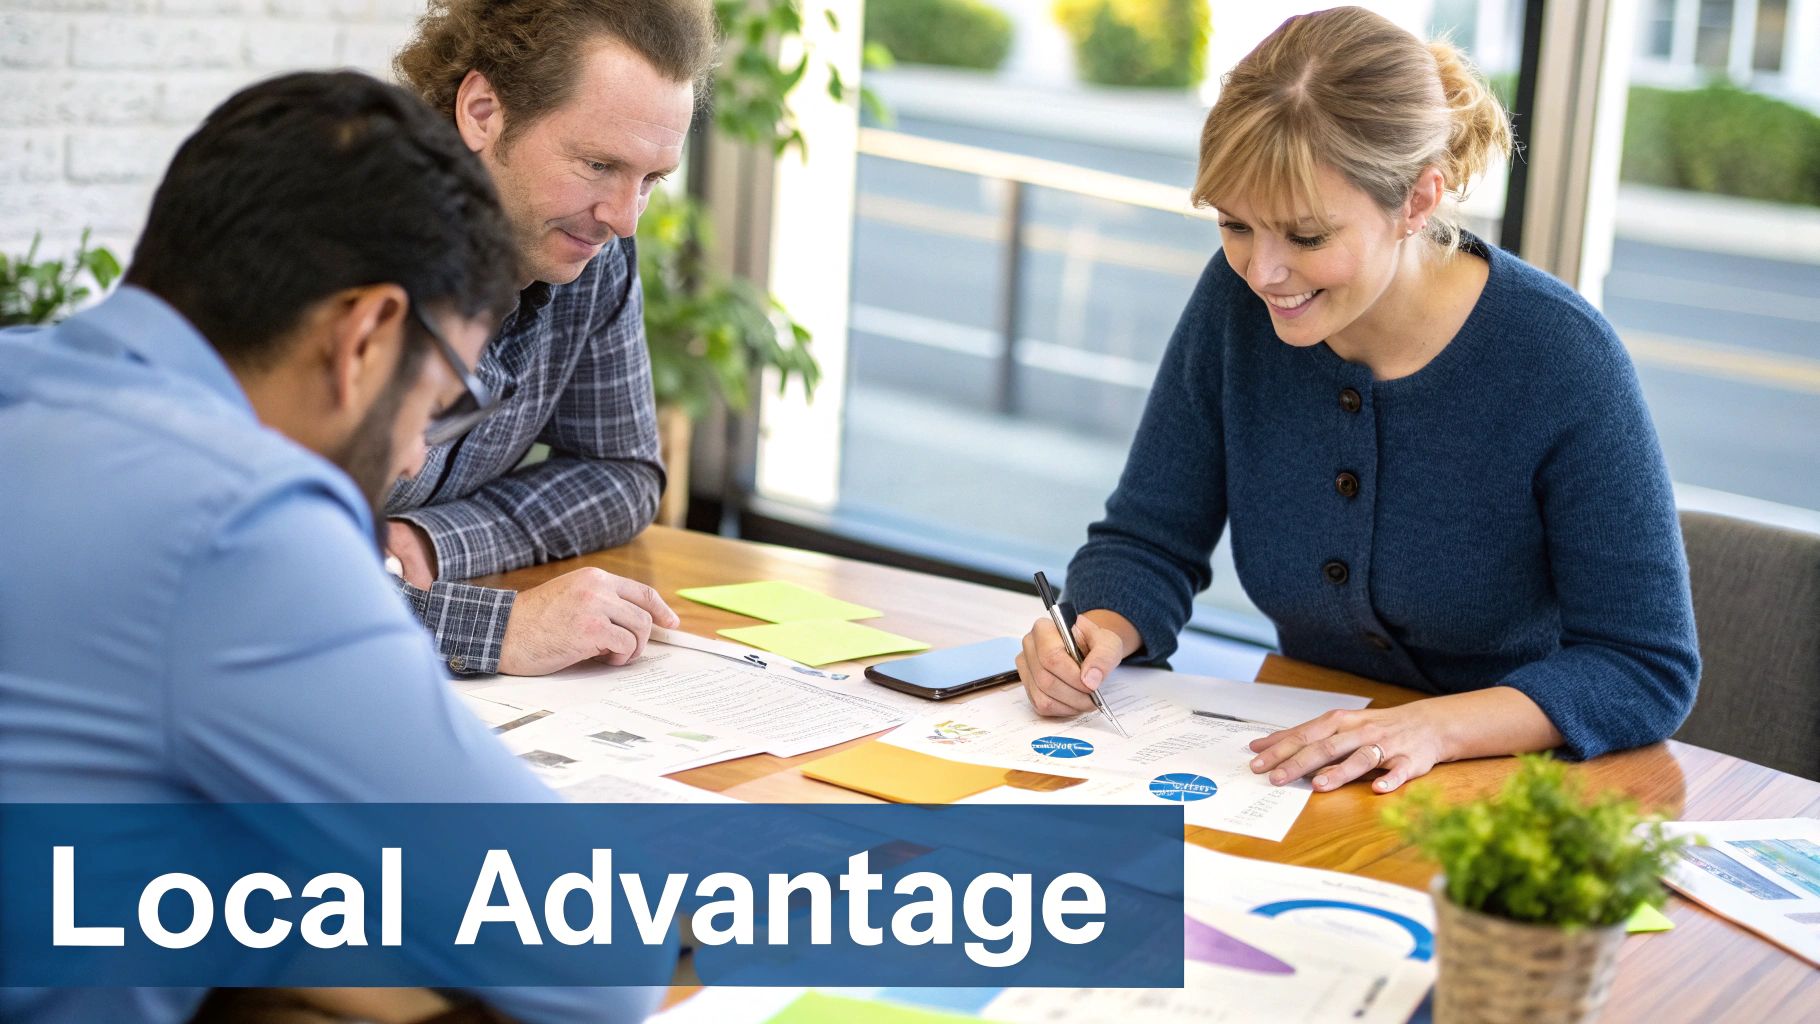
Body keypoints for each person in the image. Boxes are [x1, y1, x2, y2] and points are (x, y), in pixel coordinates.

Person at [0, 71, 671, 1023]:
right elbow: (597, 960)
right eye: (441, 405)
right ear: (364, 337)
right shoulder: (242, 528)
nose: (412, 454)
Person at [1015, 7, 1699, 795]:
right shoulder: (1236, 308)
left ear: (1416, 201)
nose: (1264, 272)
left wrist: (1432, 726)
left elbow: (1644, 664)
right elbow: (1149, 540)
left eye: (1306, 237)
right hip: (1308, 776)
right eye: (1235, 225)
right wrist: (1097, 630)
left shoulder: (1560, 358)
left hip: (1514, 799)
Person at [382, 0, 721, 677]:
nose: (624, 220)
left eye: (650, 180)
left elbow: (621, 475)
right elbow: (240, 571)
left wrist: (432, 540)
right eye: (598, 164)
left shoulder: (587, 252)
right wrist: (497, 628)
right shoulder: (337, 243)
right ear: (483, 111)